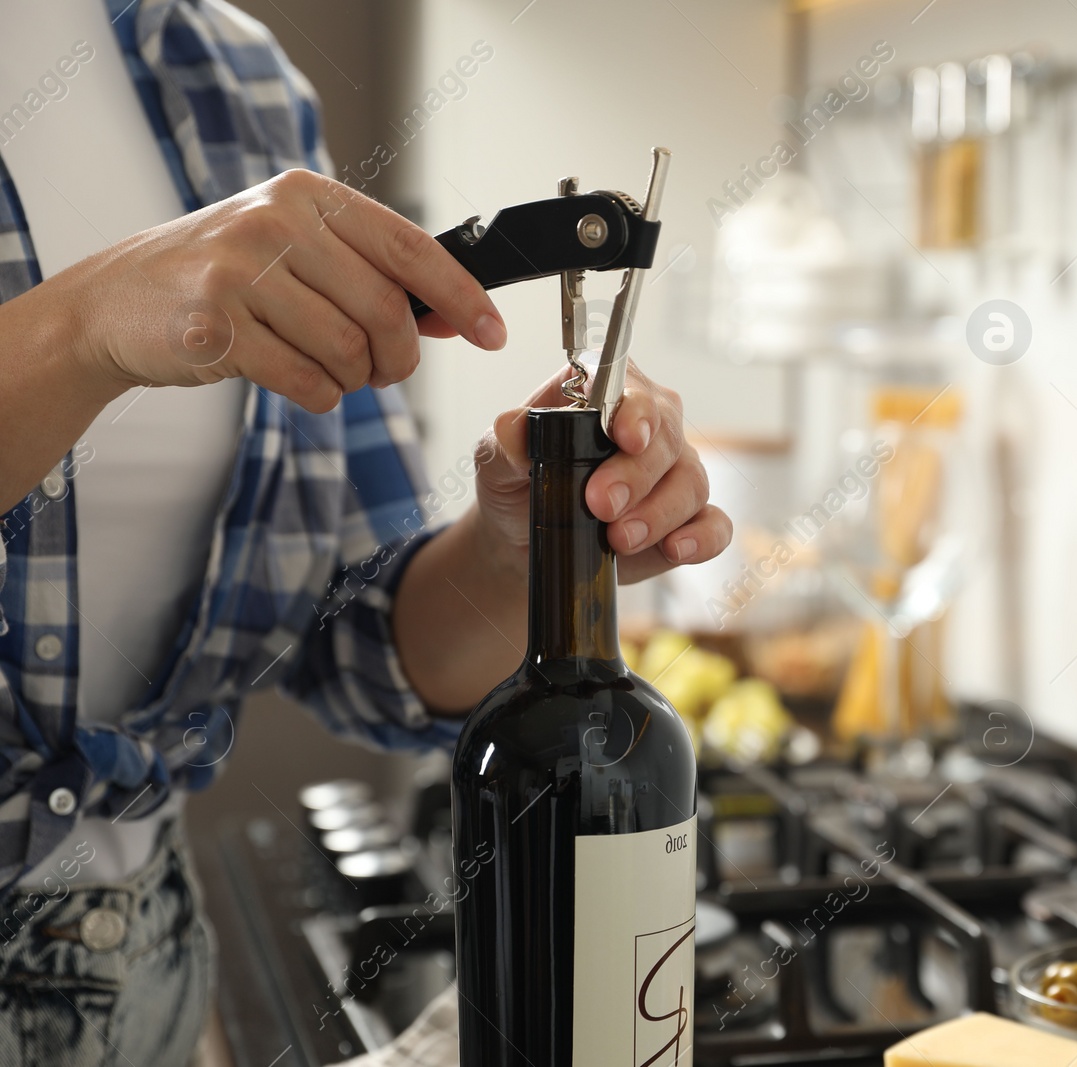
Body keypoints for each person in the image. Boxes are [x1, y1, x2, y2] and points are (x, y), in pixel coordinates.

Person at [0, 1, 731, 1064]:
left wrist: (515, 551)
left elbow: (357, 634)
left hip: (134, 970)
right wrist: (82, 327)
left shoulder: (226, 69)